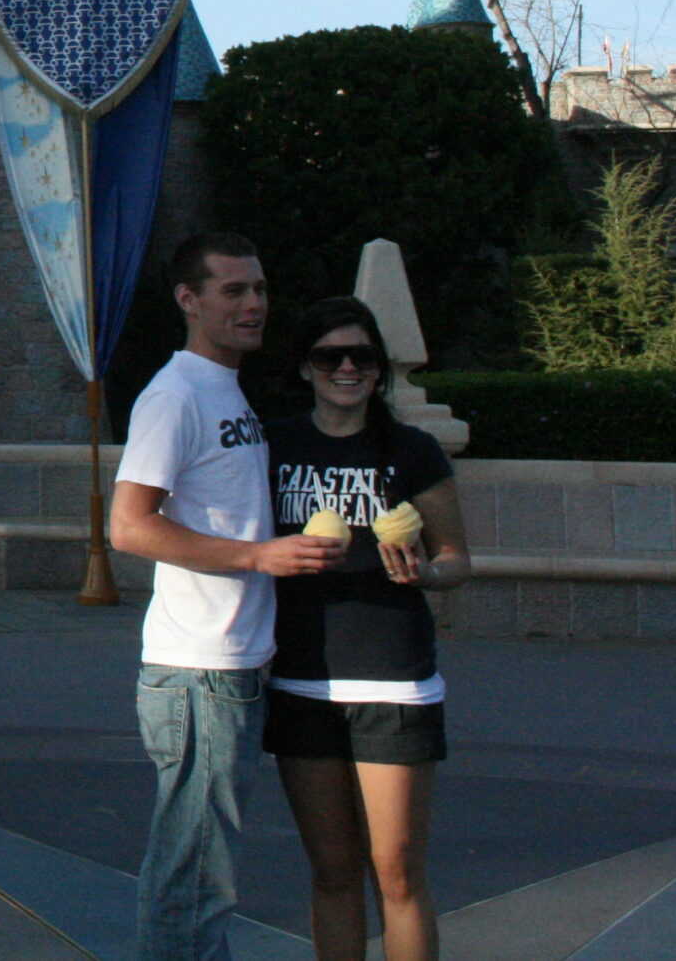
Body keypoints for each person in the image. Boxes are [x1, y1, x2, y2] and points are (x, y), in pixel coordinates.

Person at [109, 233, 343, 961]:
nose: (254, 304)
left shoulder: (223, 388)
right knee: (193, 873)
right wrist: (254, 555)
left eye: (260, 289)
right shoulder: (175, 396)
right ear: (189, 300)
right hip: (198, 672)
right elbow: (128, 526)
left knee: (203, 870)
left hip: (232, 666)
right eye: (234, 290)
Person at [267, 297, 470, 961]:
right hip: (302, 677)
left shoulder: (409, 450)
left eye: (363, 357)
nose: (348, 367)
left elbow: (455, 558)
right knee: (331, 869)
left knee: (397, 871)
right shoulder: (278, 445)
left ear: (380, 370)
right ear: (306, 367)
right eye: (331, 356)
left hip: (394, 681)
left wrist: (423, 575)